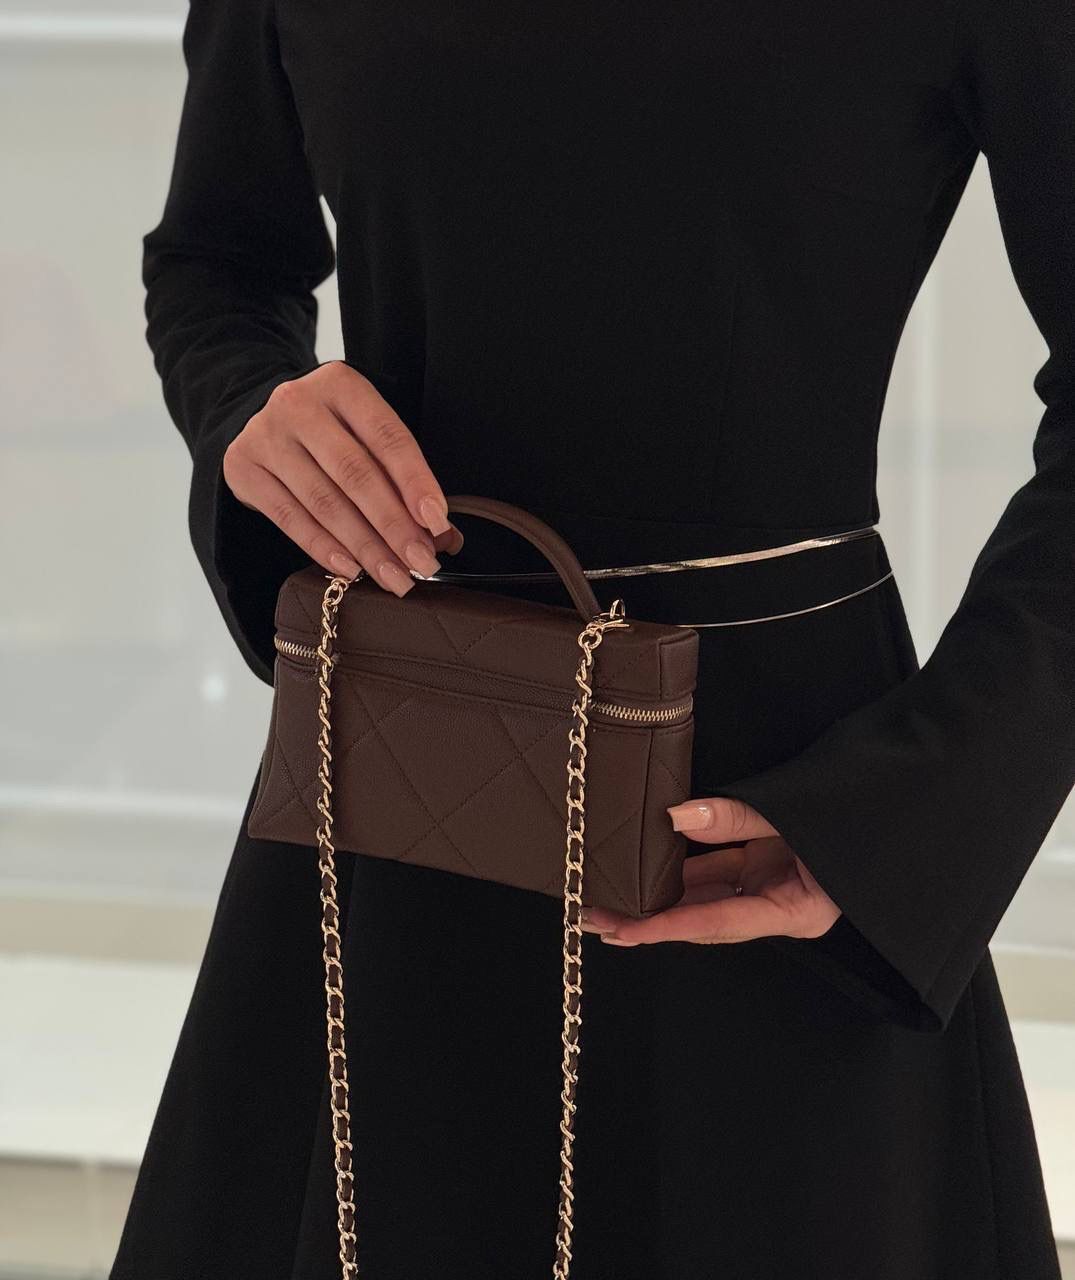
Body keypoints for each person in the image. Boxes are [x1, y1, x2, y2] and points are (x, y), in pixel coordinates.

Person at [110, 0, 1073, 1276]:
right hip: (393, 800)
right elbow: (217, 259)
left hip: (767, 827)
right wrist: (249, 406)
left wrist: (903, 813)